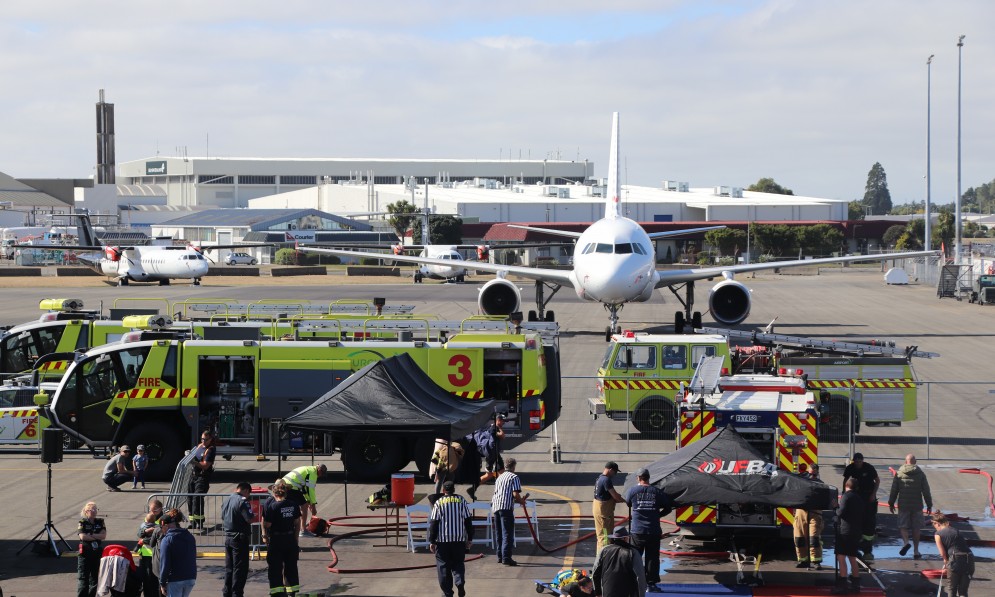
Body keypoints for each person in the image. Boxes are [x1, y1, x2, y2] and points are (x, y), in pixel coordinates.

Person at [624, 467, 673, 587]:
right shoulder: (656, 492)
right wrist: (657, 515)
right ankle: (651, 583)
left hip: (637, 531)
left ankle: (634, 580)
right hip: (653, 530)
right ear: (648, 478)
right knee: (652, 558)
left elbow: (628, 502)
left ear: (639, 478)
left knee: (635, 556)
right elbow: (668, 507)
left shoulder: (633, 491)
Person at [429, 480, 474, 597]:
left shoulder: (439, 502)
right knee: (458, 563)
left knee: (443, 566)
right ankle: (459, 582)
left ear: (443, 490)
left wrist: (432, 541)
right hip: (458, 540)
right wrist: (470, 538)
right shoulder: (461, 500)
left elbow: (434, 523)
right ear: (454, 490)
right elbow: (468, 521)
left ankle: (448, 592)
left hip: (442, 541)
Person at [888, 453, 933, 559]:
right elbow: (926, 491)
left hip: (903, 505)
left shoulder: (899, 473)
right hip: (917, 505)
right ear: (915, 462)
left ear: (905, 461)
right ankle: (916, 551)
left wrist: (891, 503)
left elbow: (894, 490)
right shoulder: (920, 474)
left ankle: (906, 542)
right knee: (916, 528)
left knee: (903, 526)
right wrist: (929, 505)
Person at [262, 480, 302, 597]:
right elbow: (297, 522)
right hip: (290, 539)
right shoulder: (293, 504)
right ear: (286, 492)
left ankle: (277, 592)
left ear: (274, 493)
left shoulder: (272, 506)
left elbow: (267, 524)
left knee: (275, 567)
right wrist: (295, 539)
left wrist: (265, 535)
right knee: (291, 567)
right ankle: (292, 591)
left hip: (276, 540)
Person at [490, 457, 529, 566]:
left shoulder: (499, 477)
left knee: (499, 533)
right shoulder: (514, 477)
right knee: (507, 533)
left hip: (496, 506)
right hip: (506, 507)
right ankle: (506, 557)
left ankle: (500, 556)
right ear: (513, 467)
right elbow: (515, 494)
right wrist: (522, 501)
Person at [842, 452, 879, 561]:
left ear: (862, 460)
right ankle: (856, 548)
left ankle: (867, 551)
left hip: (868, 497)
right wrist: (845, 493)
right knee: (856, 521)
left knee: (869, 523)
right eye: (856, 461)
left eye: (860, 461)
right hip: (856, 496)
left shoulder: (869, 468)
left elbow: (877, 480)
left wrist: (873, 494)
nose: (858, 463)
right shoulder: (850, 468)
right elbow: (845, 480)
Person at [592, 527, 647, 597]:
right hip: (628, 593)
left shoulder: (604, 550)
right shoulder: (632, 552)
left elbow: (595, 572)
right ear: (625, 538)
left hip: (607, 592)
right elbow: (640, 577)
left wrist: (597, 592)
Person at [832, 478, 864, 595]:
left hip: (845, 531)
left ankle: (843, 585)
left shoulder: (846, 496)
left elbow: (841, 512)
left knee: (841, 557)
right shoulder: (859, 499)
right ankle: (856, 585)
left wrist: (836, 507)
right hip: (856, 531)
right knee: (852, 557)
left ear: (846, 486)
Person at [222, 482, 254, 597]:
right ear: (246, 490)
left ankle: (227, 592)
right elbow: (249, 519)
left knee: (229, 567)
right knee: (240, 568)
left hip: (228, 537)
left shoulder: (227, 500)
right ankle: (237, 593)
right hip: (239, 538)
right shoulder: (243, 501)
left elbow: (223, 517)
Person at [932, 512, 975, 597]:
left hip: (955, 560)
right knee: (963, 591)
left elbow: (942, 553)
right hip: (969, 558)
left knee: (952, 589)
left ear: (936, 523)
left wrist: (946, 563)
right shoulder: (955, 530)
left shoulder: (938, 534)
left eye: (934, 525)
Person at [158, 509, 197, 597]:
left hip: (175, 579)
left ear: (165, 525)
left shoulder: (167, 540)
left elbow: (165, 564)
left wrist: (162, 583)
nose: (161, 530)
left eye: (161, 527)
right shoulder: (190, 536)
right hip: (191, 577)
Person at [793, 463, 825, 570]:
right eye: (810, 474)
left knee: (814, 539)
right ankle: (803, 560)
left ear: (818, 473)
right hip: (801, 513)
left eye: (814, 475)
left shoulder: (821, 485)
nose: (812, 477)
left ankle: (816, 561)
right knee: (799, 538)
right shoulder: (800, 482)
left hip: (815, 514)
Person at [280, 463, 326, 536]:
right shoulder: (313, 473)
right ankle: (303, 530)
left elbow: (304, 489)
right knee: (304, 506)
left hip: (284, 485)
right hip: (291, 487)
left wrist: (308, 501)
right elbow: (310, 490)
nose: (320, 476)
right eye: (321, 474)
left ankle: (296, 527)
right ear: (320, 470)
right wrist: (313, 506)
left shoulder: (309, 469)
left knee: (300, 505)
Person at [187, 429, 216, 531]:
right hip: (193, 476)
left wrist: (194, 462)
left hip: (202, 477)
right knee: (190, 498)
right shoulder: (200, 446)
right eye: (202, 439)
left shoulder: (211, 450)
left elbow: (205, 466)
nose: (203, 441)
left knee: (197, 498)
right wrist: (188, 454)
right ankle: (192, 522)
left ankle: (199, 522)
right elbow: (193, 454)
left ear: (210, 439)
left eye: (206, 439)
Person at [77, 501, 107, 597]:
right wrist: (96, 536)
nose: (94, 511)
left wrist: (92, 535)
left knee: (95, 578)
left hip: (97, 553)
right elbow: (82, 536)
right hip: (85, 553)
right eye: (92, 509)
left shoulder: (100, 521)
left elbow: (103, 536)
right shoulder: (82, 522)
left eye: (95, 509)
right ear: (86, 511)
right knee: (83, 578)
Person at [593, 462, 625, 550]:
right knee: (604, 536)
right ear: (610, 470)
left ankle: (606, 554)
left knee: (608, 534)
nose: (615, 474)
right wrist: (625, 499)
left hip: (603, 512)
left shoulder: (600, 478)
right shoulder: (606, 480)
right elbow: (615, 496)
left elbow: (609, 495)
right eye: (615, 472)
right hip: (603, 514)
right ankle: (602, 558)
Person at [137, 499, 163, 597]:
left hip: (154, 555)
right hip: (144, 555)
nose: (152, 512)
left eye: (154, 510)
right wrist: (145, 532)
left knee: (155, 581)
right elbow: (139, 533)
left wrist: (145, 539)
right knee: (146, 580)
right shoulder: (148, 517)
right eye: (151, 510)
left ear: (160, 509)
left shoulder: (162, 520)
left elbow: (158, 538)